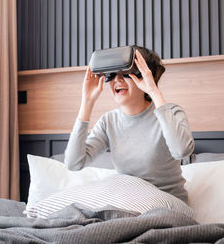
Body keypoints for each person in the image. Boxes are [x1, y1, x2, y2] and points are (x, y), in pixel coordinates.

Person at [64, 45, 195, 203]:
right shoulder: (108, 122)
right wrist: (87, 102)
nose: (117, 80)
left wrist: (154, 91)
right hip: (129, 205)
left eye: (125, 73)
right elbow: (73, 163)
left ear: (144, 76)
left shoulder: (171, 112)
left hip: (168, 206)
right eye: (111, 75)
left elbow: (181, 151)